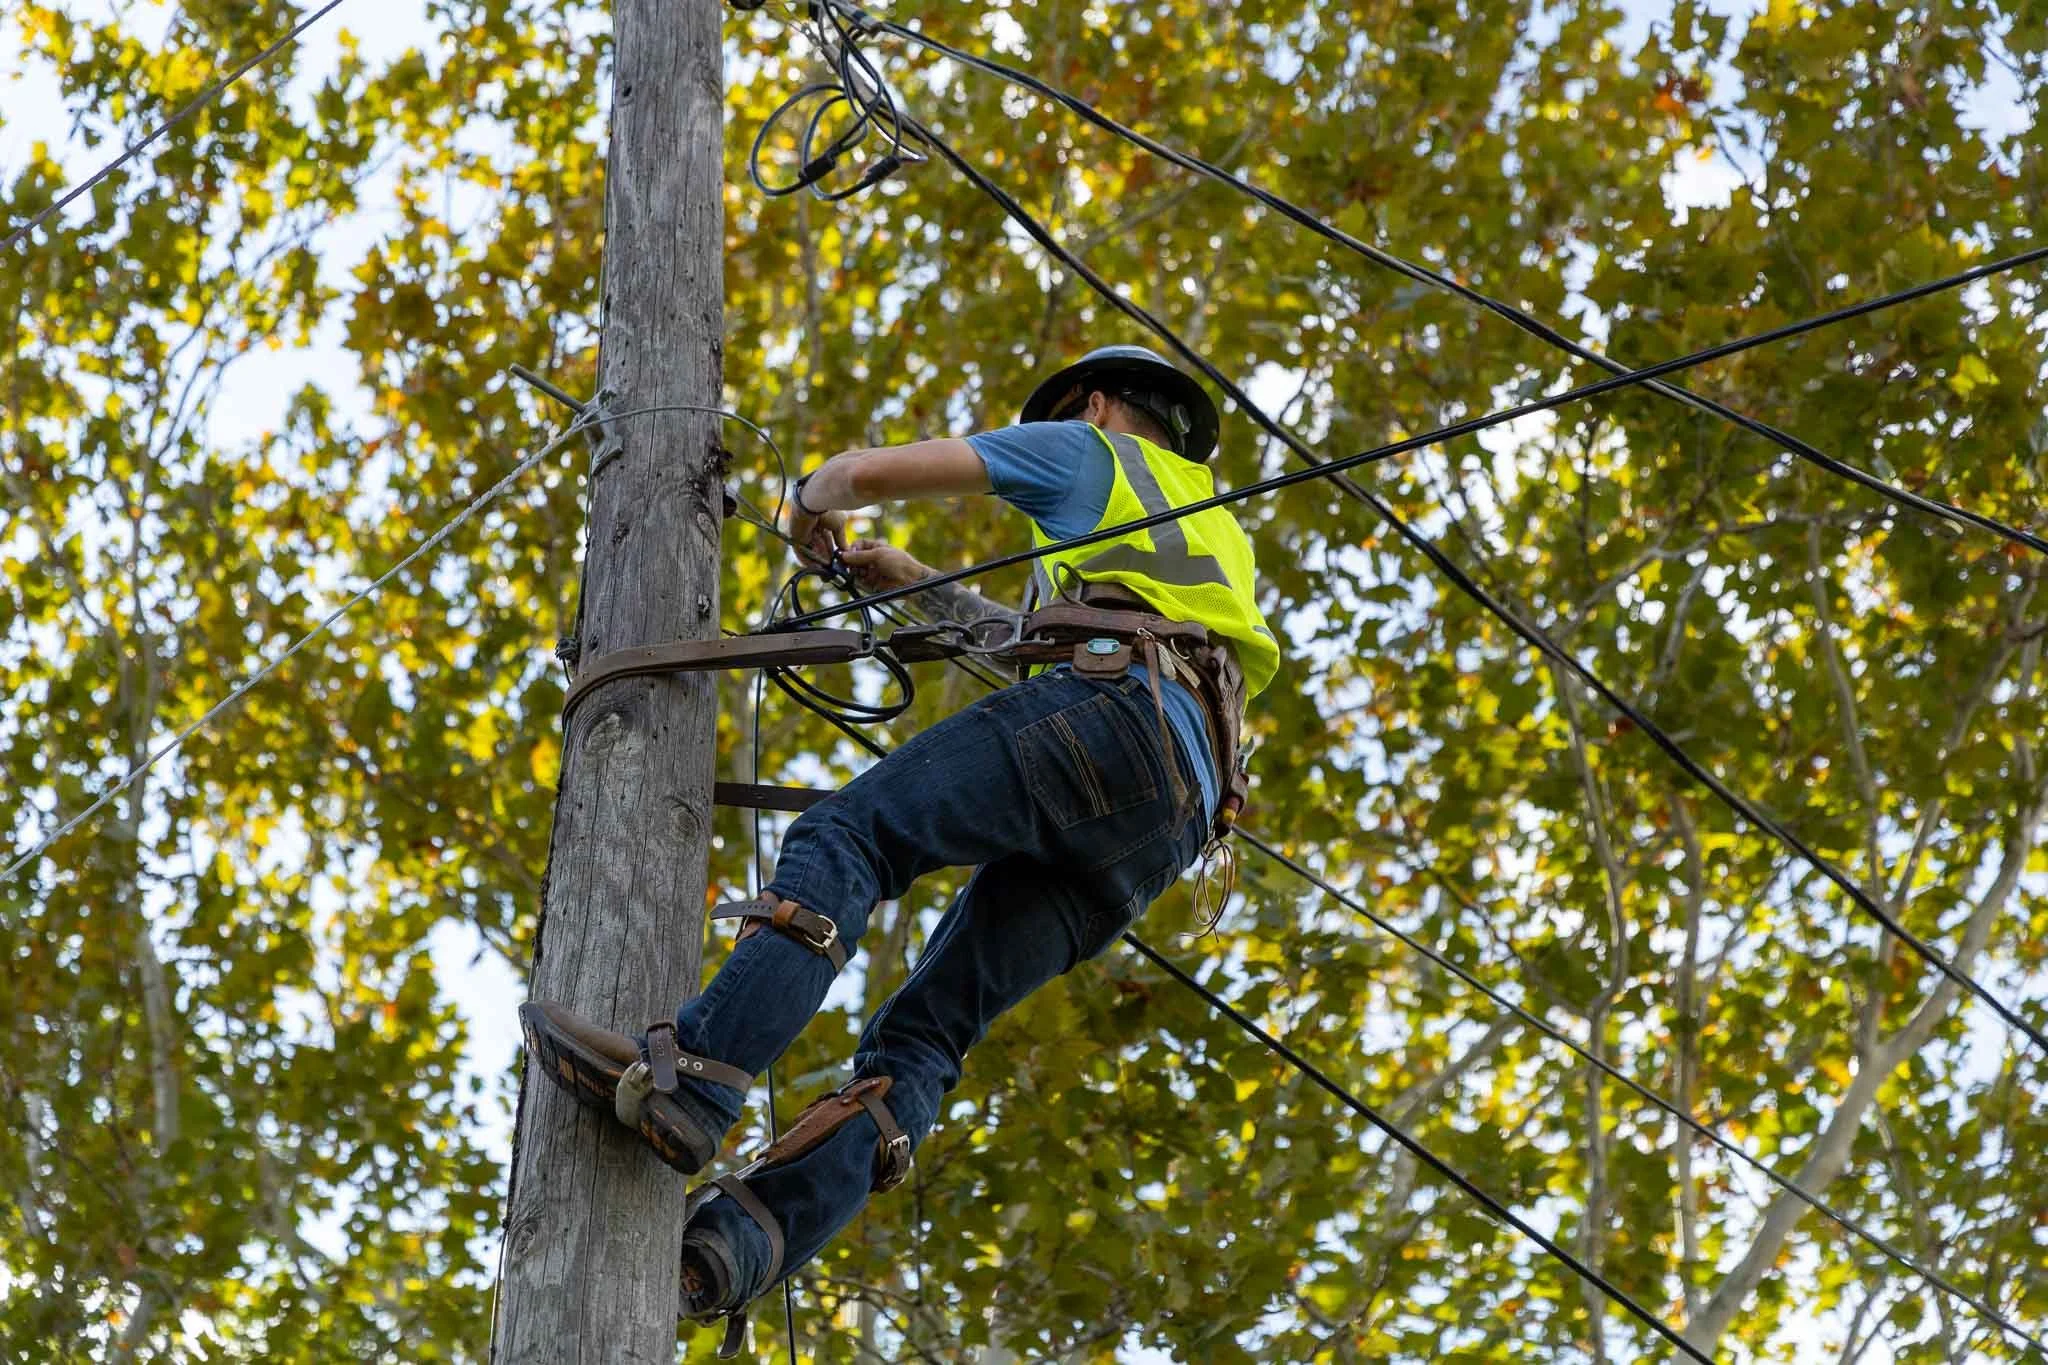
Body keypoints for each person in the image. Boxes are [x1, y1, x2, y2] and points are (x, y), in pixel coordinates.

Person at [519, 345, 1279, 1352]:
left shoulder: (1093, 454)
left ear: (1095, 405)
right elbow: (1055, 636)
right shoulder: (1209, 533)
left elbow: (862, 476)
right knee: (926, 1039)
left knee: (852, 835)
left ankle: (696, 1076)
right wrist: (913, 585)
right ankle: (743, 1242)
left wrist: (814, 503)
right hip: (1168, 815)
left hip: (1114, 714)